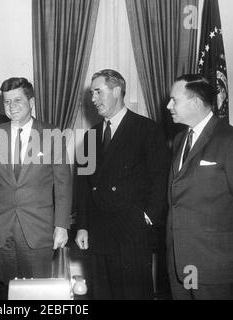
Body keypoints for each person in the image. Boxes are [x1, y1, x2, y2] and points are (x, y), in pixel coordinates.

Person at [75, 69, 168, 299]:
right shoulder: (91, 136)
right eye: (92, 93)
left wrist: (147, 218)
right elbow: (85, 187)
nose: (93, 99)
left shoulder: (147, 129)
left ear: (117, 91)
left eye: (99, 91)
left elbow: (161, 178)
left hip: (131, 233)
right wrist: (83, 225)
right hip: (97, 233)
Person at [0, 77, 72, 285]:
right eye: (7, 102)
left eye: (17, 100)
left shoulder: (51, 134)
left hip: (39, 230)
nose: (11, 106)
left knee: (37, 293)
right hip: (1, 230)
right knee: (7, 291)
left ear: (32, 102)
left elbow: (63, 184)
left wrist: (61, 225)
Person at [166, 74, 233, 300]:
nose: (168, 106)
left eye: (174, 100)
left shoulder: (228, 139)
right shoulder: (178, 140)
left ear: (195, 103)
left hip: (214, 265)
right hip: (179, 263)